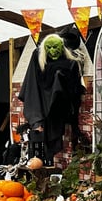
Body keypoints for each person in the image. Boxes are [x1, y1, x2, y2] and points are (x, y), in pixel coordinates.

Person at [18, 32, 85, 166]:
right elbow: (32, 90)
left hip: (60, 107)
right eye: (50, 48)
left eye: (56, 48)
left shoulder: (69, 64)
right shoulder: (37, 60)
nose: (53, 51)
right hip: (46, 109)